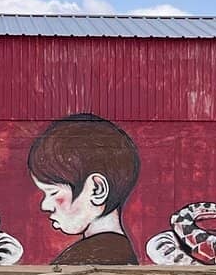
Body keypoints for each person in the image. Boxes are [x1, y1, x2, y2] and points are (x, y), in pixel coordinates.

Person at [27, 113, 140, 265]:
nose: (45, 205)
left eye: (53, 192)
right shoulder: (116, 251)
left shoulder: (87, 259)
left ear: (96, 190)